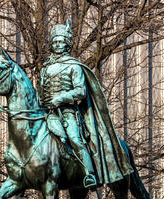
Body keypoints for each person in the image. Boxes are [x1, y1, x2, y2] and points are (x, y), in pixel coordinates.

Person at [38, 20, 134, 189]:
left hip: (67, 113)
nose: (58, 45)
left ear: (67, 44)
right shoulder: (45, 68)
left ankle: (89, 174)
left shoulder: (74, 66)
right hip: (47, 113)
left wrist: (60, 98)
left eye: (61, 42)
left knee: (75, 140)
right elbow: (41, 90)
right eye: (55, 42)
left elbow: (80, 91)